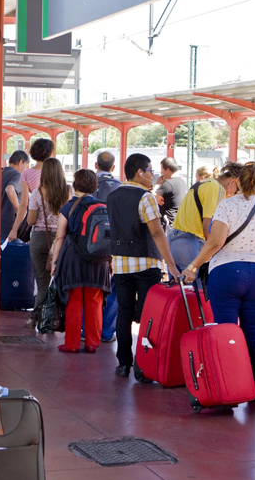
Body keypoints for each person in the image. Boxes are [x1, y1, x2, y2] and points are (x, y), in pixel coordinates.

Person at [183, 163, 255, 400]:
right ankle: (254, 388)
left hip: (227, 272)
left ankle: (228, 388)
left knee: (226, 332)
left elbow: (216, 242)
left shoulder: (226, 206)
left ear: (236, 183)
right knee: (254, 334)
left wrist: (192, 267)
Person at [107, 154, 182, 377]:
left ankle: (123, 363)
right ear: (139, 172)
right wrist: (172, 266)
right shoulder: (145, 197)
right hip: (146, 264)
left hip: (120, 264)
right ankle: (143, 365)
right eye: (150, 170)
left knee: (124, 313)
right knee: (148, 316)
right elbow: (157, 233)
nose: (152, 175)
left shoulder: (113, 196)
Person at [51, 169, 110, 353]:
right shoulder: (103, 206)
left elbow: (59, 237)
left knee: (73, 300)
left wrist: (54, 262)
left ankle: (72, 344)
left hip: (74, 260)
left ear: (75, 184)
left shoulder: (68, 207)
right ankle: (92, 343)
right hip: (99, 261)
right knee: (95, 301)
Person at [27, 157, 70, 326]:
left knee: (41, 280)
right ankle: (54, 318)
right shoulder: (68, 191)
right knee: (59, 279)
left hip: (40, 238)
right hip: (62, 238)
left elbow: (30, 221)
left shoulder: (37, 192)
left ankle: (37, 317)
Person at [167, 163, 225, 271]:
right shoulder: (216, 188)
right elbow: (207, 228)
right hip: (191, 241)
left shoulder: (203, 184)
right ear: (233, 182)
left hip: (176, 237)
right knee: (192, 280)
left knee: (178, 281)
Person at [94, 151, 121, 343]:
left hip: (91, 245)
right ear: (113, 167)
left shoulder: (89, 185)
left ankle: (88, 330)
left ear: (96, 166)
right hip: (115, 244)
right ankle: (106, 331)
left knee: (91, 287)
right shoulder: (120, 187)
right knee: (113, 288)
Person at [7, 138, 54, 246]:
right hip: (56, 225)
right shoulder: (56, 173)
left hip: (36, 225)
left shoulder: (27, 174)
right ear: (50, 153)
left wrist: (14, 229)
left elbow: (23, 205)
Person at [1, 150, 28, 240]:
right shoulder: (18, 175)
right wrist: (19, 209)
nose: (25, 169)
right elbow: (9, 189)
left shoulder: (1, 173)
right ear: (20, 162)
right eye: (25, 165)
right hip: (11, 225)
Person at [154, 157, 187, 228]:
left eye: (162, 170)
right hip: (178, 221)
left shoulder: (168, 184)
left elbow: (152, 199)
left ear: (168, 170)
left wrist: (157, 184)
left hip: (169, 223)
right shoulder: (182, 181)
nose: (161, 173)